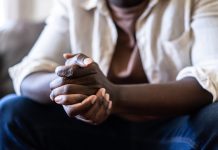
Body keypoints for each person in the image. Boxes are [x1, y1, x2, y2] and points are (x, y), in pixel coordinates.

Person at [1, 0, 218, 149]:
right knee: (11, 111)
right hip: (96, 129)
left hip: (174, 127)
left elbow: (211, 75)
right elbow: (30, 72)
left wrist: (113, 95)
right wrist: (69, 85)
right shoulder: (74, 4)